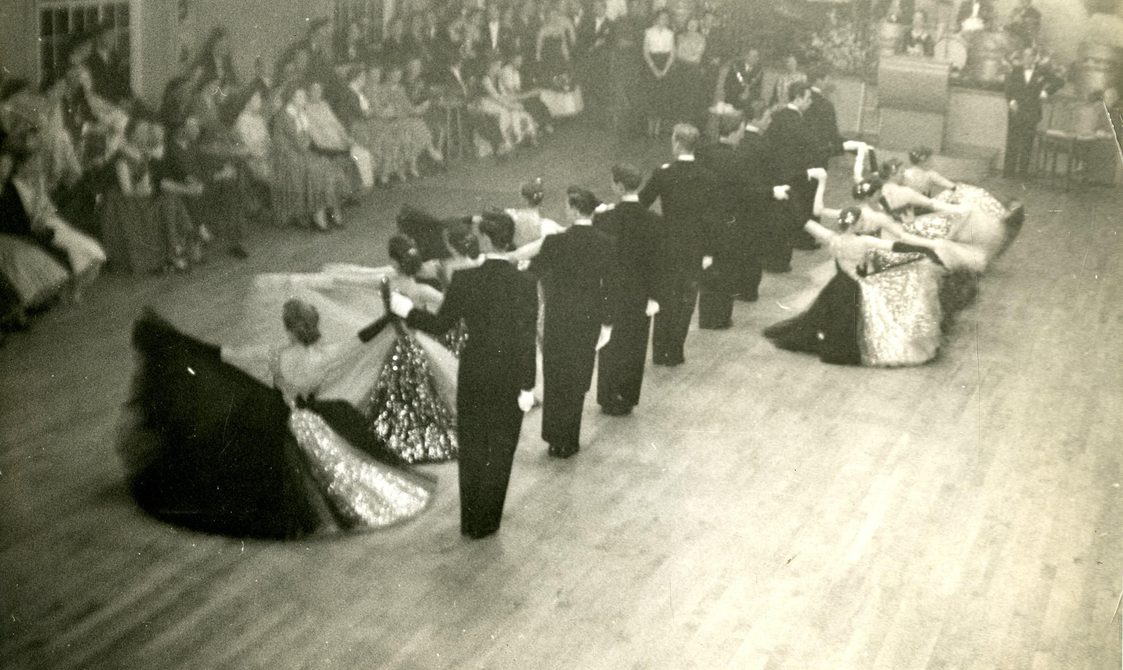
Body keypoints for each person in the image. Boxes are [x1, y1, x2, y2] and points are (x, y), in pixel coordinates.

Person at [118, 298, 437, 539]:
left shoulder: (273, 355)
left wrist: (180, 341)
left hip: (284, 420)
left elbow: (223, 354)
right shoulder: (327, 355)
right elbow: (362, 338)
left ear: (287, 327)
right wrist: (387, 317)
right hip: (315, 421)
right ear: (314, 324)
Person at [396, 213, 538, 539]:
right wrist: (528, 385)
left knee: (473, 445)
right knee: (502, 448)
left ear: (487, 240)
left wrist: (407, 311)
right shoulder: (526, 284)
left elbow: (440, 325)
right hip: (511, 375)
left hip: (475, 370)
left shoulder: (465, 281)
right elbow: (526, 337)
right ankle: (490, 520)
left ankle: (471, 522)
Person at [763, 204, 945, 366]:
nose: (863, 223)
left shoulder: (831, 238)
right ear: (854, 223)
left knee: (834, 318)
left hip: (838, 284)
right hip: (856, 285)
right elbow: (894, 246)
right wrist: (925, 250)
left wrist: (788, 202)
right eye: (860, 221)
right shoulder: (863, 241)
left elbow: (806, 223)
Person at [527, 187, 615, 458]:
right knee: (578, 378)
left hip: (558, 317)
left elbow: (533, 274)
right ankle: (570, 439)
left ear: (575, 209)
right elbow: (611, 286)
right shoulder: (605, 242)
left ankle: (554, 437)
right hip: (589, 318)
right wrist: (607, 323)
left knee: (555, 376)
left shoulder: (555, 242)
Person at [696, 111, 790, 328]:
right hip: (729, 219)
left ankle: (706, 315)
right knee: (725, 269)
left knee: (708, 267)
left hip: (706, 217)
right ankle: (719, 318)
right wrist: (771, 192)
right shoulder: (737, 160)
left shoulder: (704, 153)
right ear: (736, 131)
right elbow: (748, 190)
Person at [638, 123, 717, 366]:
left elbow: (641, 203)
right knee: (686, 299)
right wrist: (710, 251)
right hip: (695, 245)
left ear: (677, 143)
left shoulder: (663, 174)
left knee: (664, 296)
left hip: (667, 244)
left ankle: (659, 351)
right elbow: (712, 217)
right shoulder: (707, 177)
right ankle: (675, 351)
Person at [593, 164, 660, 416]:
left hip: (611, 290)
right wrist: (654, 295)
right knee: (635, 343)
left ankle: (608, 396)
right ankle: (628, 395)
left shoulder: (606, 219)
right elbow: (657, 262)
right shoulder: (652, 220)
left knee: (610, 343)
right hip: (641, 292)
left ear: (618, 186)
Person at [761, 82, 819, 272]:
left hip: (773, 173)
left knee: (773, 219)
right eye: (808, 98)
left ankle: (769, 257)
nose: (810, 103)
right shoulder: (798, 122)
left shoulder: (777, 117)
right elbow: (810, 147)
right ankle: (779, 261)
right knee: (785, 222)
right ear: (798, 98)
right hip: (792, 176)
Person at [271, 86, 341, 231]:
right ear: (292, 98)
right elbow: (297, 142)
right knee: (315, 169)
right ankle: (318, 215)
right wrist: (314, 146)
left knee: (327, 165)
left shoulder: (301, 112)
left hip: (302, 151)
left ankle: (332, 211)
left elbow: (309, 137)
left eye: (304, 96)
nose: (304, 99)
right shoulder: (284, 115)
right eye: (301, 96)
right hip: (287, 156)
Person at [1003, 47, 1063, 178]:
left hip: (1031, 111)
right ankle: (1008, 173)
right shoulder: (1015, 70)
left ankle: (1022, 174)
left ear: (1035, 57)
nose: (1026, 58)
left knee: (1027, 143)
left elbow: (1059, 81)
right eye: (1024, 55)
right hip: (1016, 110)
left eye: (1030, 56)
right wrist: (1012, 101)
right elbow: (1008, 87)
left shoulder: (1042, 71)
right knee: (1012, 141)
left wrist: (1046, 92)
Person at [641, 10, 675, 137]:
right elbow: (645, 52)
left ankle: (658, 128)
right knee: (651, 96)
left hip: (665, 64)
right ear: (656, 19)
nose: (664, 21)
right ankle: (650, 127)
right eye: (662, 18)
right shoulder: (648, 32)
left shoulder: (670, 33)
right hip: (651, 65)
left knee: (661, 96)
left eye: (667, 19)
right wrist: (654, 68)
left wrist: (665, 70)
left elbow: (672, 54)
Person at [805, 69, 844, 171]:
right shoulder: (826, 105)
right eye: (827, 79)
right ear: (819, 80)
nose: (828, 82)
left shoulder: (801, 98)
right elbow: (833, 132)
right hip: (819, 151)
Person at [671, 16, 706, 126]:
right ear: (687, 24)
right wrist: (689, 54)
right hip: (680, 69)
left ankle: (687, 123)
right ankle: (678, 123)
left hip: (693, 70)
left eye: (694, 25)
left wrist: (687, 55)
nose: (692, 26)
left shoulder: (702, 38)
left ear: (698, 26)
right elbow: (677, 53)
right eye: (690, 24)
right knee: (679, 95)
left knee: (690, 97)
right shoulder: (680, 37)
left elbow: (697, 57)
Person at [714, 47, 763, 114]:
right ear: (746, 56)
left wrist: (749, 96)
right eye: (753, 56)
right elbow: (727, 85)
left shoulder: (759, 71)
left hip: (747, 105)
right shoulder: (736, 67)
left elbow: (758, 90)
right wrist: (739, 94)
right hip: (732, 101)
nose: (755, 59)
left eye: (757, 57)